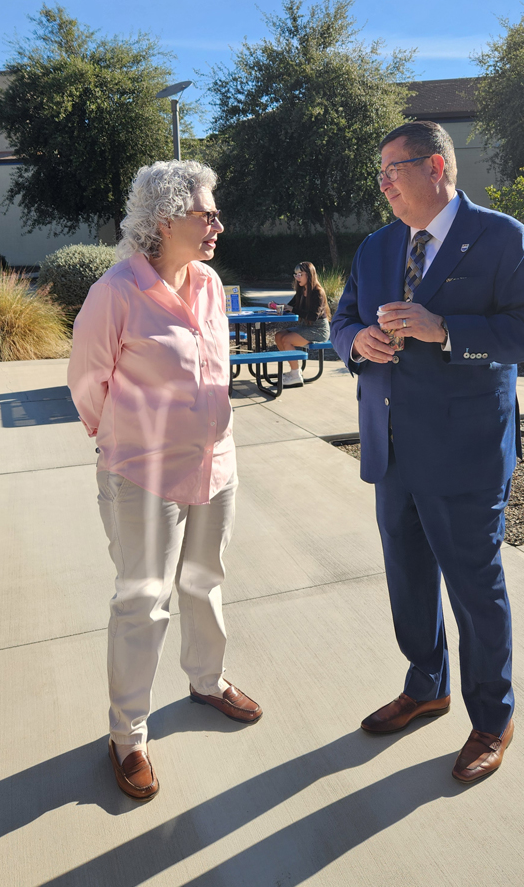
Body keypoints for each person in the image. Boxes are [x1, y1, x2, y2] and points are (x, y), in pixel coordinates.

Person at [330, 122, 524, 783]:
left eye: (391, 171)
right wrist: (355, 345)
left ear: (435, 166)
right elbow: (343, 318)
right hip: (390, 448)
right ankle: (426, 683)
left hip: (465, 452)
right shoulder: (376, 248)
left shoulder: (503, 238)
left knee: (474, 589)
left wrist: (445, 329)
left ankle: (492, 718)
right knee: (407, 579)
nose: (382, 185)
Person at [67, 160, 262, 802]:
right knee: (143, 603)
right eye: (206, 213)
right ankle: (128, 736)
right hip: (143, 476)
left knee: (204, 582)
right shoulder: (115, 291)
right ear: (165, 218)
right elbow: (86, 383)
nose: (217, 225)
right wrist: (126, 443)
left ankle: (206, 681)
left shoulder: (207, 284)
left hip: (216, 464)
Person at [272, 261, 331, 387]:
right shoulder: (301, 291)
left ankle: (295, 375)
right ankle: (294, 371)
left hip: (319, 330)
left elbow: (313, 316)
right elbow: (290, 306)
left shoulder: (317, 292)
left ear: (309, 275)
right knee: (278, 336)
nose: (297, 277)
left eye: (300, 274)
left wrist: (292, 309)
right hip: (306, 327)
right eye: (296, 274)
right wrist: (276, 306)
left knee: (287, 340)